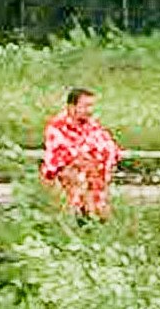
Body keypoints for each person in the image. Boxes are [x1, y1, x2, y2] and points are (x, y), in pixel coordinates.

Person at [41, 87, 123, 217]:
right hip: (67, 179)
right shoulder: (57, 127)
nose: (90, 111)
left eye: (92, 106)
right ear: (72, 107)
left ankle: (94, 216)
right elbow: (62, 157)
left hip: (93, 180)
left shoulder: (92, 126)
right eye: (86, 106)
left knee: (101, 211)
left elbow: (110, 147)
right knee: (78, 178)